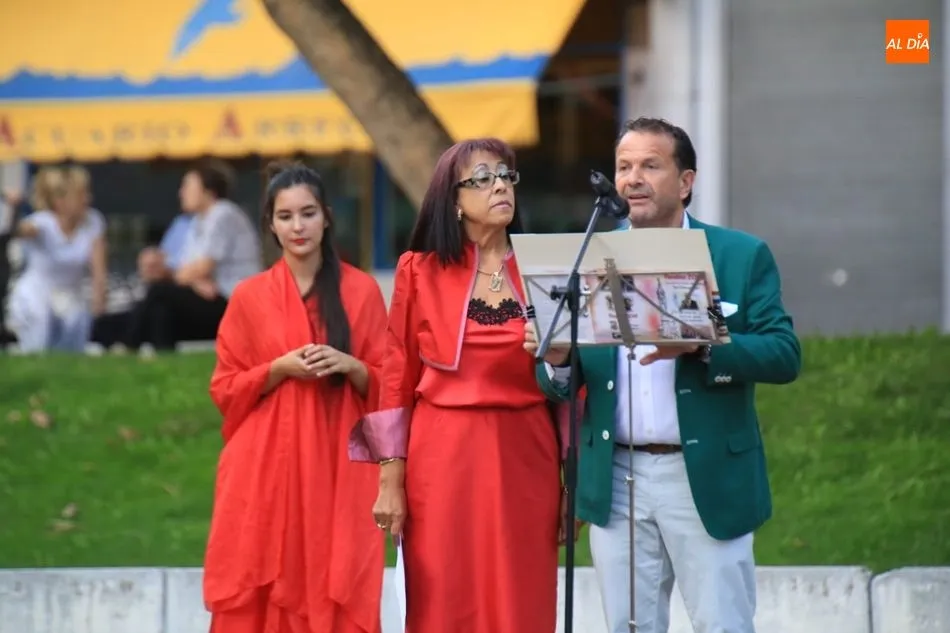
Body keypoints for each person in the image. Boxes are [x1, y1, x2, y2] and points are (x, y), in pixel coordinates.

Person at [527, 117, 802, 633]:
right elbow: (559, 381)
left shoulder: (739, 255)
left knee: (723, 624)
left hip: (703, 475)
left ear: (686, 181)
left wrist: (706, 345)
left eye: (651, 165)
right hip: (618, 478)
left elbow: (783, 354)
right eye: (624, 167)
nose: (633, 178)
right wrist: (558, 360)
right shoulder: (589, 258)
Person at [354, 138, 566, 633]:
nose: (499, 186)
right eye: (483, 178)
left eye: (506, 176)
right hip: (442, 458)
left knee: (523, 598)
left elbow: (574, 388)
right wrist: (390, 483)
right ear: (454, 200)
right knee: (445, 601)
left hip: (526, 456)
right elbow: (395, 379)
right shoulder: (419, 270)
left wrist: (570, 483)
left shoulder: (549, 269)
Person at [205, 162, 388, 633]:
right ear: (270, 223)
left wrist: (352, 366)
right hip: (264, 467)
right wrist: (276, 368)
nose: (298, 226)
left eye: (308, 213)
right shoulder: (248, 297)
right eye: (285, 217)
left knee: (336, 575)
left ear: (327, 217)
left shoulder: (361, 291)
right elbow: (225, 388)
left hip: (337, 466)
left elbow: (392, 385)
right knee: (261, 583)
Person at [123, 158, 261, 351]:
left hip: (233, 303)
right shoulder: (197, 222)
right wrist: (194, 280)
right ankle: (161, 358)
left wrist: (190, 276)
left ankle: (129, 346)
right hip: (211, 297)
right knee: (161, 311)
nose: (181, 193)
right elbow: (186, 270)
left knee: (159, 290)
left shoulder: (223, 213)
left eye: (188, 186)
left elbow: (199, 268)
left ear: (208, 191)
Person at [7, 166, 107, 353]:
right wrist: (15, 208)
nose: (88, 199)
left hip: (69, 296)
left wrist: (99, 301)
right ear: (60, 201)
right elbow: (18, 232)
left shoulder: (93, 221)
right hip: (36, 295)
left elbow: (98, 270)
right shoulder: (42, 223)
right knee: (40, 329)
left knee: (77, 324)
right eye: (81, 195)